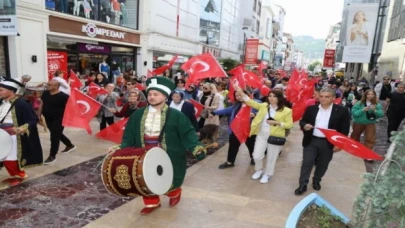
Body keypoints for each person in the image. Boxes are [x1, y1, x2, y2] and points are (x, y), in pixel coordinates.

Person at [108, 76, 206, 215]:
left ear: (165, 97)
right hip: (144, 153)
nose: (151, 97)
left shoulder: (177, 115)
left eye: (156, 94)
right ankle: (152, 203)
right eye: (150, 94)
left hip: (170, 153)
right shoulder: (138, 114)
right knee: (146, 179)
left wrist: (196, 147)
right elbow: (129, 135)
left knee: (169, 178)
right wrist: (121, 147)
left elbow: (188, 133)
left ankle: (174, 193)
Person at [295, 88, 350, 195]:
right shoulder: (311, 109)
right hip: (311, 140)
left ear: (333, 98)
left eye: (327, 96)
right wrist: (304, 125)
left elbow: (344, 129)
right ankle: (302, 184)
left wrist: (339, 144)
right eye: (321, 96)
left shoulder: (342, 111)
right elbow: (303, 121)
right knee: (307, 162)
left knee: (323, 164)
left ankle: (316, 180)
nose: (323, 99)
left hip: (328, 143)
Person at [236, 86, 293, 183]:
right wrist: (240, 92)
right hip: (261, 134)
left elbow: (289, 124)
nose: (271, 98)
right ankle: (259, 170)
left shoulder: (286, 110)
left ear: (279, 98)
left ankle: (267, 174)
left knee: (271, 157)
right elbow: (249, 101)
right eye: (270, 96)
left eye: (274, 96)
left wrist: (278, 123)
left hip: (275, 136)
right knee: (256, 155)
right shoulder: (264, 105)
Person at [0, 78, 43, 186]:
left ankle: (20, 175)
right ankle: (14, 175)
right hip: (1, 134)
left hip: (13, 136)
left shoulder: (21, 103)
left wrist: (22, 128)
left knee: (10, 158)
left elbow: (33, 119)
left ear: (11, 91)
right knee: (3, 157)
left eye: (1, 90)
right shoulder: (1, 102)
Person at [211, 90, 259, 168]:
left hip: (249, 129)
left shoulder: (254, 103)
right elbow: (227, 110)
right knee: (233, 145)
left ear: (246, 94)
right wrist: (215, 112)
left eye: (240, 95)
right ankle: (230, 162)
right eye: (237, 96)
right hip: (236, 129)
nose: (239, 97)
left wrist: (254, 114)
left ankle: (253, 158)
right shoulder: (236, 105)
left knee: (251, 144)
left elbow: (263, 111)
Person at [38, 80, 76, 165]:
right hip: (48, 118)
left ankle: (52, 156)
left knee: (54, 137)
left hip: (59, 119)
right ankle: (70, 145)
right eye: (47, 84)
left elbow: (72, 107)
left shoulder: (63, 96)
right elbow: (42, 103)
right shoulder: (46, 93)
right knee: (56, 133)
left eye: (49, 84)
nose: (47, 85)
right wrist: (39, 114)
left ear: (56, 86)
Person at [350, 90, 384, 161]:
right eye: (368, 94)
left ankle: (367, 154)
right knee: (355, 137)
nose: (370, 96)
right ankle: (354, 149)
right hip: (359, 122)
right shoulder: (359, 103)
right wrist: (362, 110)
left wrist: (375, 110)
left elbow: (381, 114)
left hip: (370, 123)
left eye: (372, 94)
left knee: (370, 138)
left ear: (374, 95)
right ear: (365, 95)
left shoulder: (377, 104)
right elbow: (354, 114)